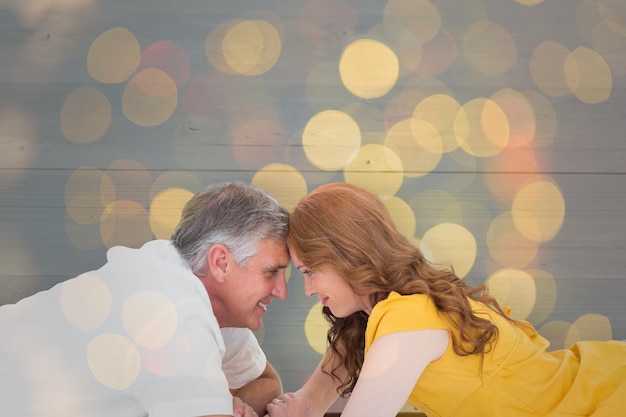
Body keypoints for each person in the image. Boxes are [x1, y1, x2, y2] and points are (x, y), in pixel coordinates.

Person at [266, 182, 626, 417]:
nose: (309, 290)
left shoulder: (404, 322)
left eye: (309, 271)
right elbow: (306, 406)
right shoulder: (371, 320)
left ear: (347, 255)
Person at [0, 181, 291, 417]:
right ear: (221, 262)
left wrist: (232, 404)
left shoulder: (199, 292)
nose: (282, 290)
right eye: (271, 272)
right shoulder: (173, 313)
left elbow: (266, 383)